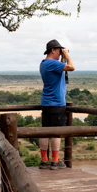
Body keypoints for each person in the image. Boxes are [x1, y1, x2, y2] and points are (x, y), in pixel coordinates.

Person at [39, 39, 75, 169]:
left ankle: (44, 160)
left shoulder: (44, 63)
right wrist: (68, 55)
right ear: (53, 50)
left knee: (44, 131)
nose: (60, 53)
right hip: (57, 103)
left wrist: (63, 58)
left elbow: (59, 68)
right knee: (56, 132)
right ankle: (55, 161)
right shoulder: (52, 64)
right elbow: (72, 67)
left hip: (46, 102)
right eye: (59, 51)